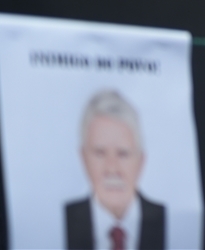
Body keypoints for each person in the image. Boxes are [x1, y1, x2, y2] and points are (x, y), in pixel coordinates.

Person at [65, 90, 165, 250]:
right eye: (100, 153)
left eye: (123, 153)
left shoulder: (168, 220)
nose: (112, 168)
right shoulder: (62, 221)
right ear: (83, 158)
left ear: (141, 161)